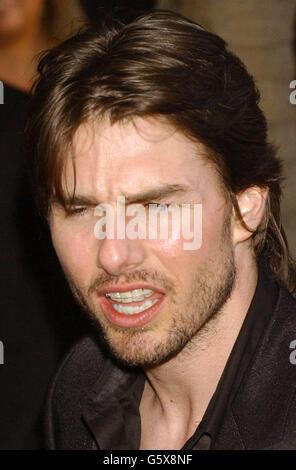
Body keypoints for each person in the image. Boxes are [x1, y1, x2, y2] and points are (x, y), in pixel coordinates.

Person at [27, 10, 296, 450]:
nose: (113, 254)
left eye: (153, 206)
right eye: (81, 209)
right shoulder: (80, 386)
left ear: (245, 207)